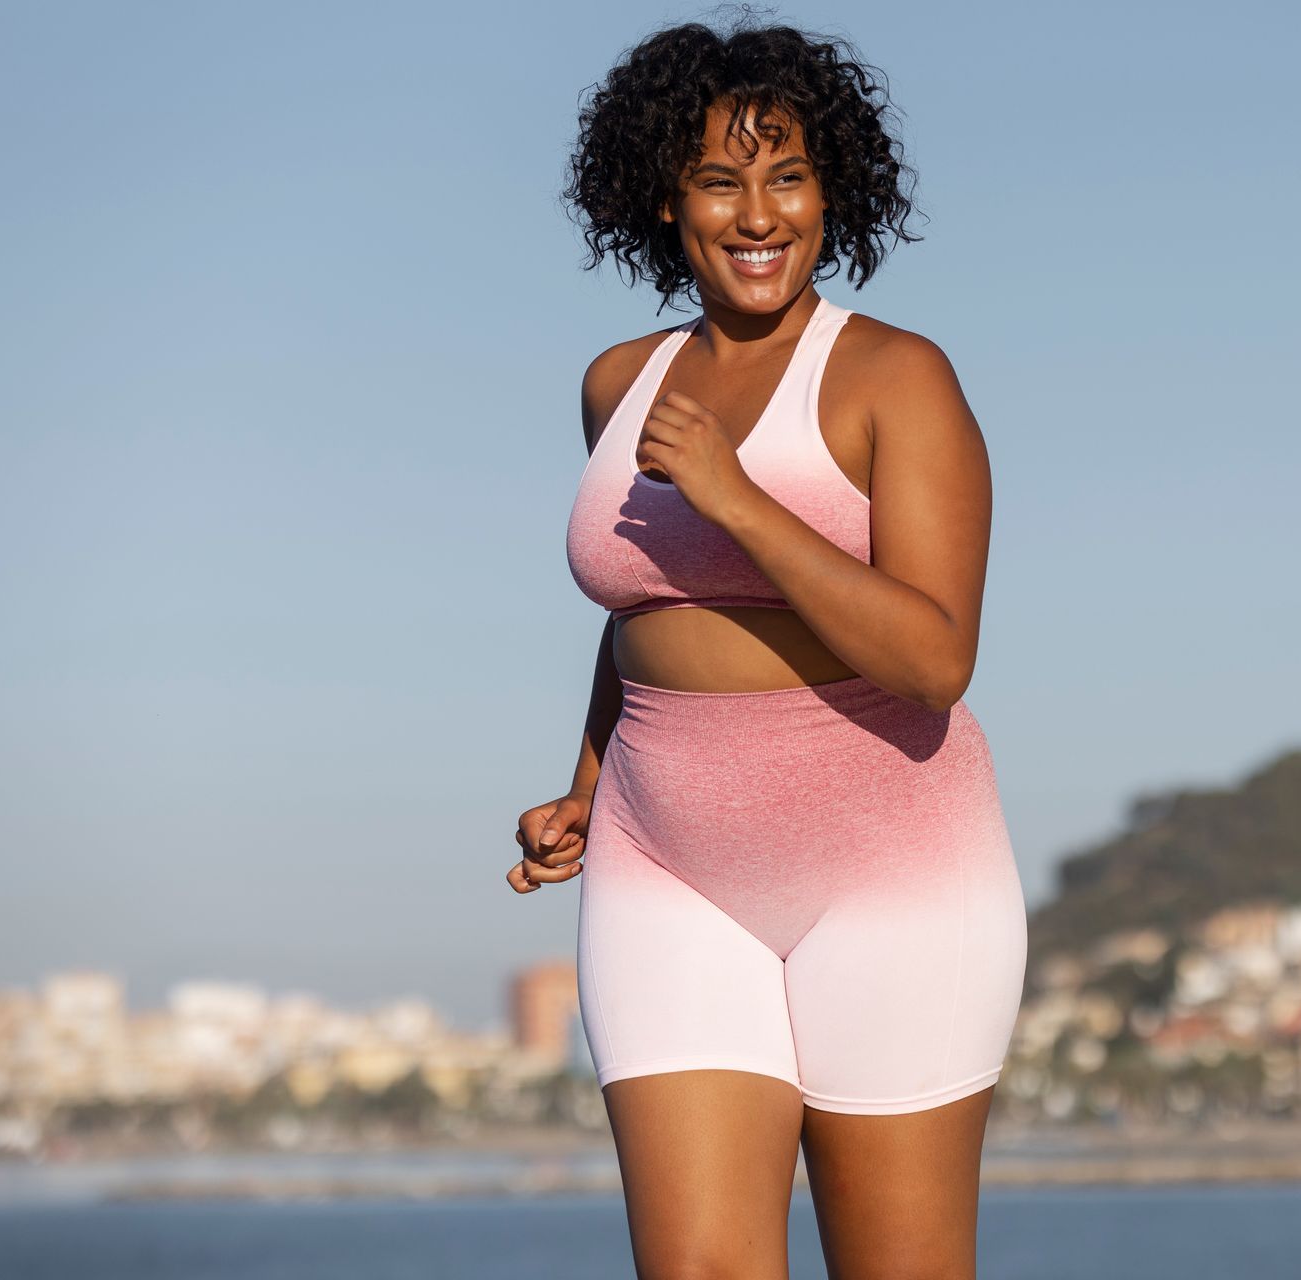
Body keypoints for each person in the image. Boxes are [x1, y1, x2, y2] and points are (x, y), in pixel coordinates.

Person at [507, 18, 1027, 1279]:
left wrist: (736, 495)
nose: (758, 213)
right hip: (663, 867)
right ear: (664, 198)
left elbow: (936, 654)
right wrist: (582, 785)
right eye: (719, 178)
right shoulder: (619, 382)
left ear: (829, 189)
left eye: (786, 174)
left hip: (892, 874)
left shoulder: (894, 376)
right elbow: (641, 606)